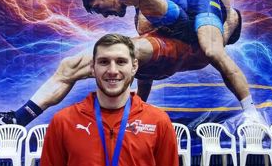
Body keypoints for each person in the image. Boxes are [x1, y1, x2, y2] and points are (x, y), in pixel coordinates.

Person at [0, 0, 265, 128]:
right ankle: (14, 119)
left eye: (103, 11)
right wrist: (137, 107)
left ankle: (251, 112)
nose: (108, 17)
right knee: (71, 65)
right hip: (174, 37)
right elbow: (146, 69)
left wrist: (227, 20)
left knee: (184, 33)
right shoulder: (141, 20)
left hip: (196, 25)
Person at [40, 33, 179, 166]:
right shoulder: (63, 122)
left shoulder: (158, 122)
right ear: (92, 68)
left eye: (121, 62)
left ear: (134, 67)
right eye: (104, 62)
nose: (113, 70)